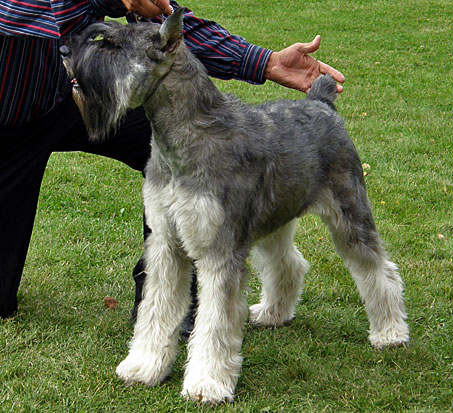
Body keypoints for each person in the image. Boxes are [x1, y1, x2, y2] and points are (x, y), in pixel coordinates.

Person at [0, 0, 345, 319]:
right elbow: (19, 13)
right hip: (9, 114)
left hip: (85, 88)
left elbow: (167, 28)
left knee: (185, 139)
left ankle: (169, 300)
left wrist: (264, 62)